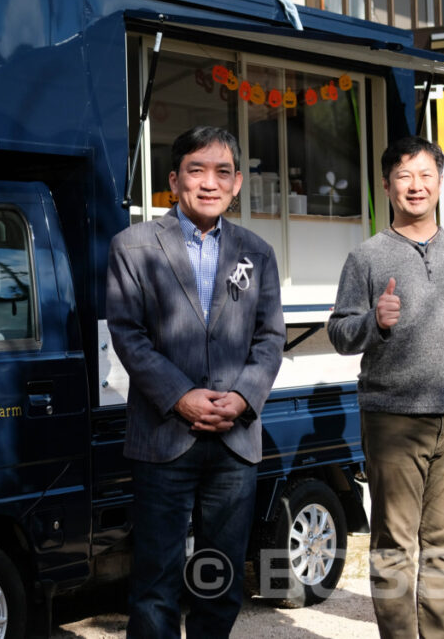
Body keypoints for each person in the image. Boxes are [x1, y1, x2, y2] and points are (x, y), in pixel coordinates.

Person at [327, 134, 444, 639]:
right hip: (391, 417)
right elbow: (340, 332)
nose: (416, 186)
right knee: (393, 546)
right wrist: (373, 321)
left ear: (439, 182)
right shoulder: (365, 258)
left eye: (426, 175)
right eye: (404, 177)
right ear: (387, 186)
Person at [106, 126, 285, 638]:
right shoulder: (133, 246)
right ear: (173, 180)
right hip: (164, 436)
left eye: (223, 172)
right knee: (156, 582)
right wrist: (181, 397)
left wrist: (244, 397)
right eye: (196, 170)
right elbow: (128, 334)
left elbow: (270, 337)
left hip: (235, 439)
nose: (210, 183)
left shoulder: (257, 252)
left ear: (235, 186)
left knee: (220, 580)